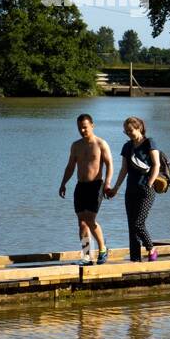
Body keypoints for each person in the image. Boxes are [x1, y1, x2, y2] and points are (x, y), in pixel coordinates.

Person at [58, 113, 114, 265]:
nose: (82, 130)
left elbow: (109, 165)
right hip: (80, 186)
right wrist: (63, 183)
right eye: (79, 128)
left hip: (96, 186)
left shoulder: (101, 144)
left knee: (89, 219)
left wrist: (107, 183)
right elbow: (70, 167)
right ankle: (87, 256)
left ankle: (102, 249)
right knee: (81, 222)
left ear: (92, 126)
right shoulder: (76, 145)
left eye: (85, 127)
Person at [107, 116, 161, 261]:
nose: (128, 133)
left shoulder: (150, 143)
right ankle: (135, 259)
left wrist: (149, 183)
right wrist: (116, 187)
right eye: (126, 131)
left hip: (146, 190)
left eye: (130, 130)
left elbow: (156, 165)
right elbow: (124, 169)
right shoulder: (127, 146)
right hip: (130, 190)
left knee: (139, 223)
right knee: (132, 227)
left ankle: (151, 248)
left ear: (139, 128)